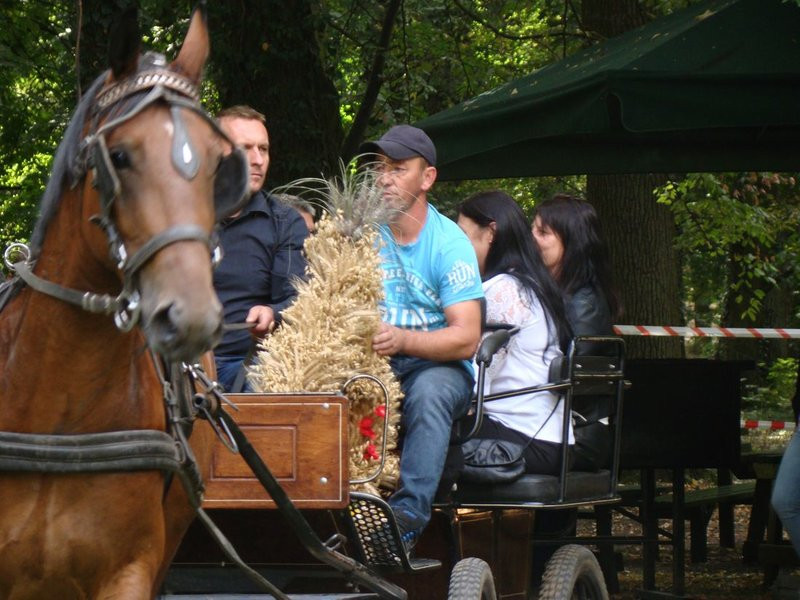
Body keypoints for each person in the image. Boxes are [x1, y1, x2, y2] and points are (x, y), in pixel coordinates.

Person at [360, 125, 484, 550]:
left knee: (429, 394)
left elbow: (466, 339)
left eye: (397, 168)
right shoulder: (363, 235)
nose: (384, 178)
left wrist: (402, 339)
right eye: (379, 168)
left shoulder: (450, 244)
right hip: (375, 360)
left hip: (438, 367)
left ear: (427, 178)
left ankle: (406, 521)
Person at [456, 190, 572, 475]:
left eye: (462, 237)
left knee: (418, 424)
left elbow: (478, 374)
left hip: (523, 438)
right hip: (549, 437)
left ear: (491, 233)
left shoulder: (503, 289)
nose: (456, 249)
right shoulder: (533, 284)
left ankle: (412, 516)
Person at [213, 105, 308, 391]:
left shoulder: (284, 222)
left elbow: (298, 297)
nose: (258, 160)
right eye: (246, 149)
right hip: (177, 360)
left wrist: (272, 312)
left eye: (263, 149)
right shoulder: (181, 216)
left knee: (265, 382)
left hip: (246, 360)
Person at [532, 193, 620, 471]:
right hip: (560, 426)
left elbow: (565, 374)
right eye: (531, 229)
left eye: (542, 232)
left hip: (577, 433)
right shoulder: (558, 292)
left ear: (571, 243)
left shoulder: (585, 302)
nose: (531, 237)